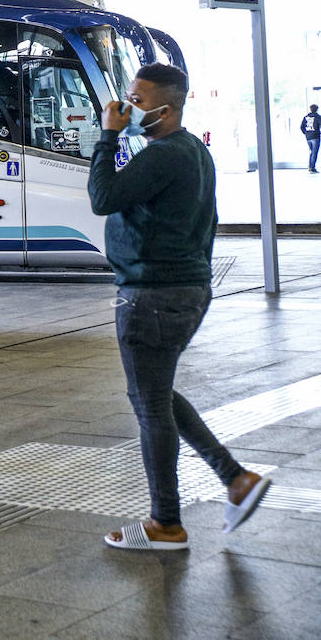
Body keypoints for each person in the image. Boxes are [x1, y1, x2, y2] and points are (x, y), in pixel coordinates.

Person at [89, 63, 270, 551]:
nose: (126, 107)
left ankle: (165, 523)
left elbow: (102, 197)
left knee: (149, 406)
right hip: (186, 290)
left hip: (151, 294)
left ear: (165, 109)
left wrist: (108, 138)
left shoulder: (162, 155)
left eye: (137, 100)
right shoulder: (193, 152)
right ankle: (235, 479)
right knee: (158, 396)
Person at [301, 103, 321, 173]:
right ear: (317, 109)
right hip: (315, 136)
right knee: (314, 152)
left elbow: (302, 127)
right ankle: (312, 168)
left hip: (308, 137)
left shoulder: (306, 117)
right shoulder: (318, 117)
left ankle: (310, 166)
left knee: (311, 152)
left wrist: (306, 133)